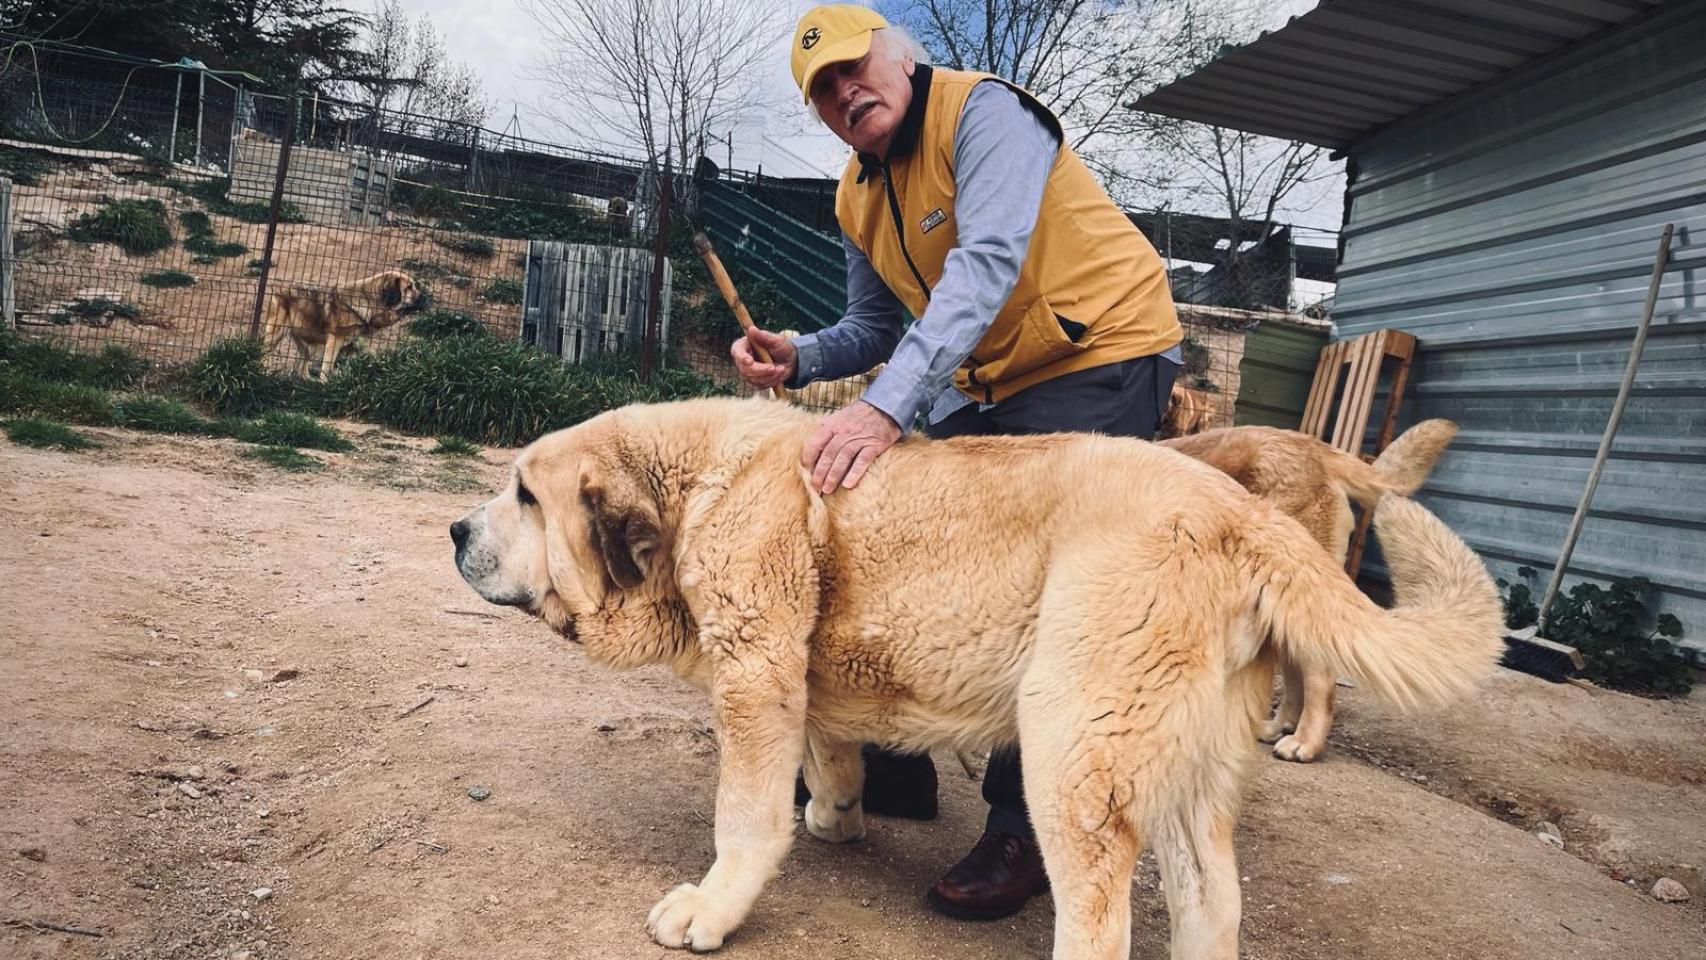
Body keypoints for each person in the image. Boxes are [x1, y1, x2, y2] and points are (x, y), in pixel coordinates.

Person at [730, 4, 1184, 922]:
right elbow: (872, 328)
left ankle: (1027, 826)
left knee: (1048, 589)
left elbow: (984, 264)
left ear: (902, 60)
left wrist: (883, 409)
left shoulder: (985, 113)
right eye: (823, 89)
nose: (846, 91)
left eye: (856, 67)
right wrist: (802, 355)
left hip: (1101, 350)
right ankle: (895, 762)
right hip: (992, 380)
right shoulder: (855, 194)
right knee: (923, 554)